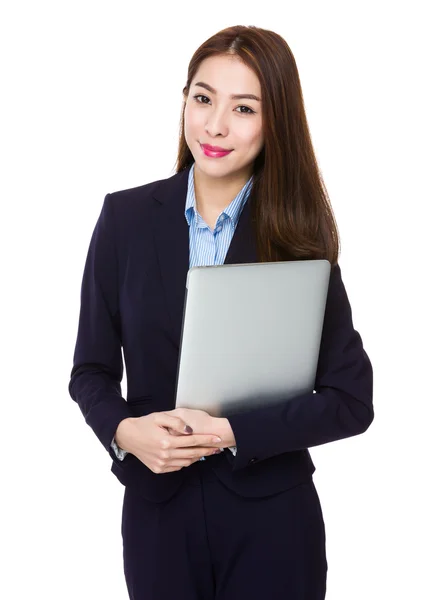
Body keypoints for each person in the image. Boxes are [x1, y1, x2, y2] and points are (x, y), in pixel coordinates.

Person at [68, 24, 374, 600]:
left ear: (274, 121)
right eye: (203, 98)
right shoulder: (125, 220)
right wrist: (125, 430)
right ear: (184, 100)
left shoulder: (297, 237)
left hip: (274, 522)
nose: (215, 125)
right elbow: (90, 371)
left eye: (244, 108)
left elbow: (352, 400)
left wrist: (233, 431)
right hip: (158, 517)